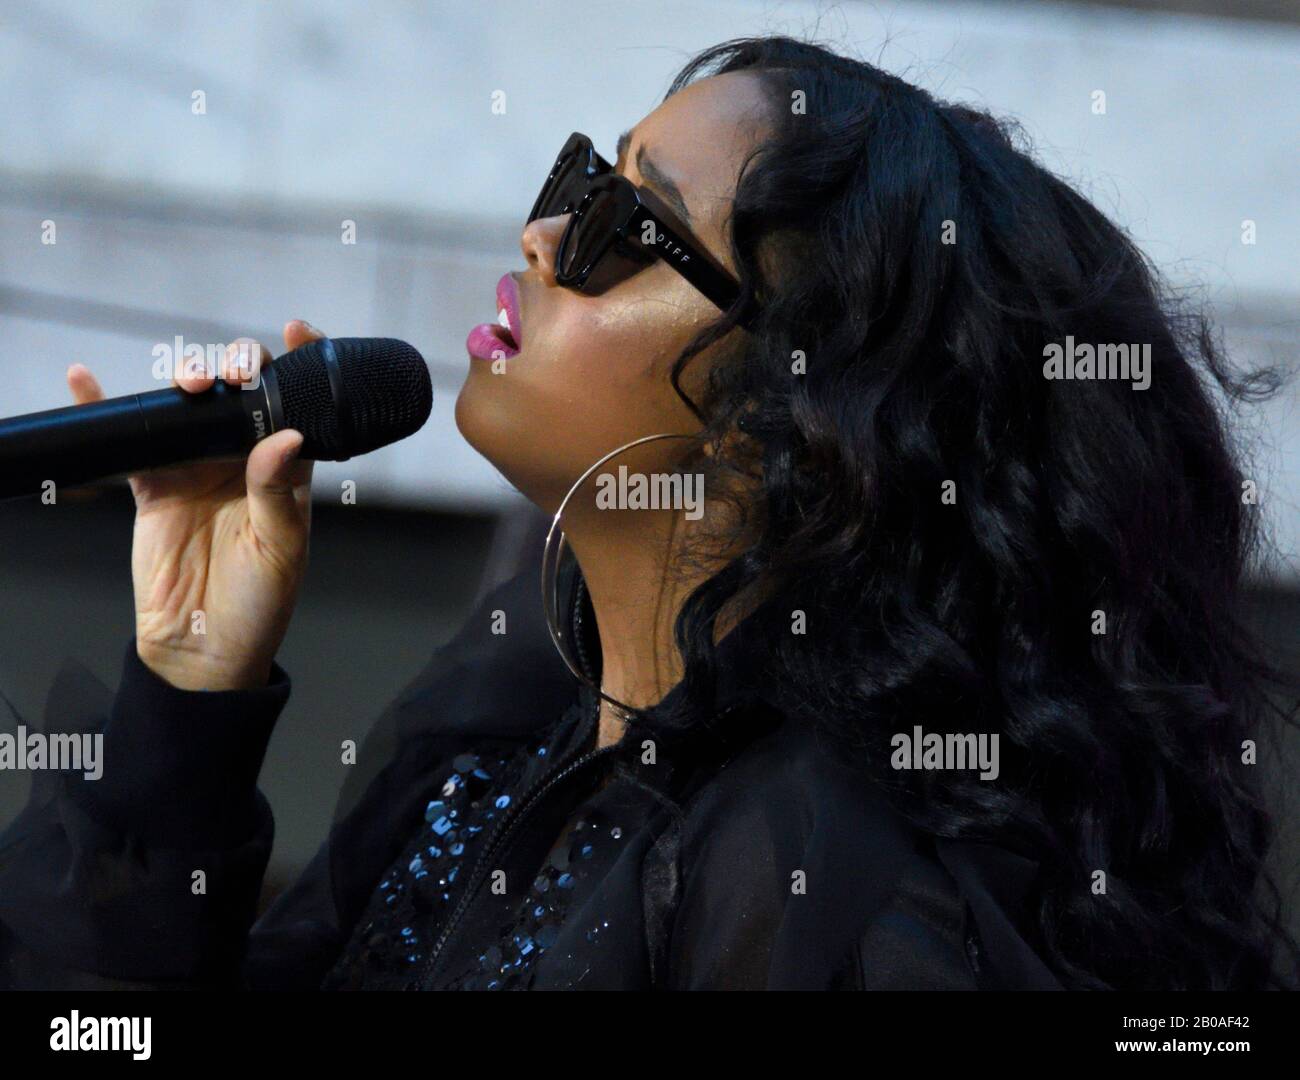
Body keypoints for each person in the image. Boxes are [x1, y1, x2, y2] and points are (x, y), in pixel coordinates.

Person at [0, 34, 1294, 990]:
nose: (544, 234)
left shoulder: (820, 879)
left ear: (805, 416)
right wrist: (190, 683)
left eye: (630, 222)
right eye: (580, 178)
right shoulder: (512, 727)